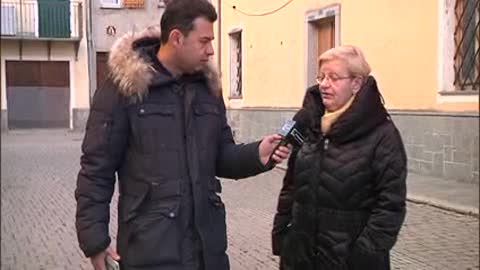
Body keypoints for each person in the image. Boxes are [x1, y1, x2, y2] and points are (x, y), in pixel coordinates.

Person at [75, 1, 290, 269]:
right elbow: (96, 169)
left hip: (207, 250)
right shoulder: (125, 88)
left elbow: (221, 155)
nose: (211, 50)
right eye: (204, 41)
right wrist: (95, 241)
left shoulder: (208, 89)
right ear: (177, 38)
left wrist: (257, 154)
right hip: (151, 249)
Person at [272, 45, 407, 270]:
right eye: (321, 76)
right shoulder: (309, 122)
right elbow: (291, 185)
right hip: (300, 256)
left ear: (356, 83)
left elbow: (390, 206)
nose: (324, 84)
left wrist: (364, 254)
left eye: (334, 78)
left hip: (350, 261)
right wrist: (283, 234)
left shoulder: (382, 134)